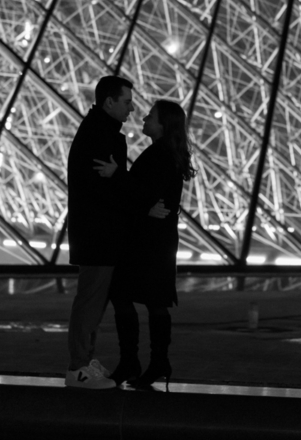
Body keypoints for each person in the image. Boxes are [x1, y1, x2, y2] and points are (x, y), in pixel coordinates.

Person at [108, 100, 195, 390]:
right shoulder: (167, 153)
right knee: (152, 302)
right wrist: (146, 204)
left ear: (163, 124)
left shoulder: (160, 154)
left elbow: (144, 191)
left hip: (147, 240)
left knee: (123, 295)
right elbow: (149, 194)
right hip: (157, 239)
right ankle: (156, 362)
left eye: (151, 116)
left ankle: (134, 361)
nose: (144, 118)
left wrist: (117, 175)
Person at [63, 75, 138, 390]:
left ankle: (84, 362)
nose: (131, 109)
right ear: (109, 101)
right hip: (99, 234)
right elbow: (103, 190)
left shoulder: (96, 130)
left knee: (92, 301)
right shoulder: (102, 135)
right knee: (90, 301)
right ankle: (78, 368)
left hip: (96, 232)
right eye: (126, 102)